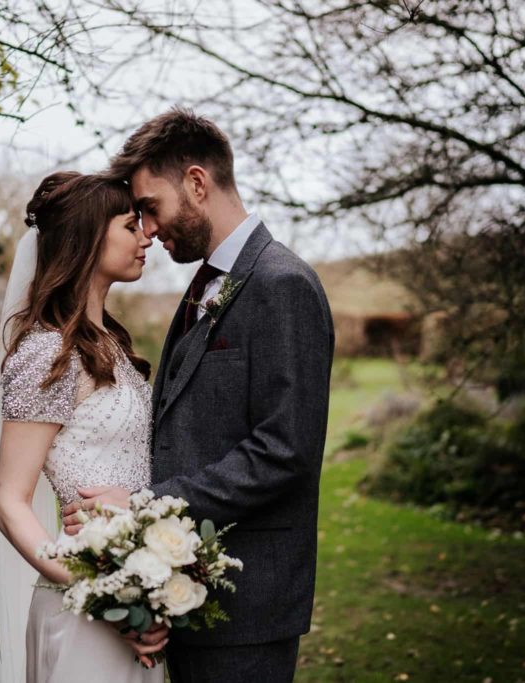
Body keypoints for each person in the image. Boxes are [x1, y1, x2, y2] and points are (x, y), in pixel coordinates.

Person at [61, 108, 335, 683]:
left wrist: (144, 505)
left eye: (150, 208)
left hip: (247, 604)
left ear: (196, 182)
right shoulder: (205, 286)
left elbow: (285, 449)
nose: (149, 229)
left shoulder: (282, 284)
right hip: (183, 591)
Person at [0, 171, 167, 682]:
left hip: (136, 588)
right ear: (89, 239)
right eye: (132, 225)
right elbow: (8, 502)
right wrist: (106, 597)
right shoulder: (47, 353)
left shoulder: (112, 346)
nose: (147, 235)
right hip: (83, 607)